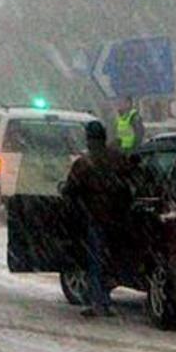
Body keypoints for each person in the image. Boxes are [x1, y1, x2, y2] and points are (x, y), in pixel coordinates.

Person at [62, 120, 133, 317]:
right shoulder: (118, 159)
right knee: (110, 259)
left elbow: (71, 188)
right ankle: (107, 300)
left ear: (89, 139)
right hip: (120, 219)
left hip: (97, 219)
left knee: (96, 261)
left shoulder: (85, 163)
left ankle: (98, 302)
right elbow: (132, 180)